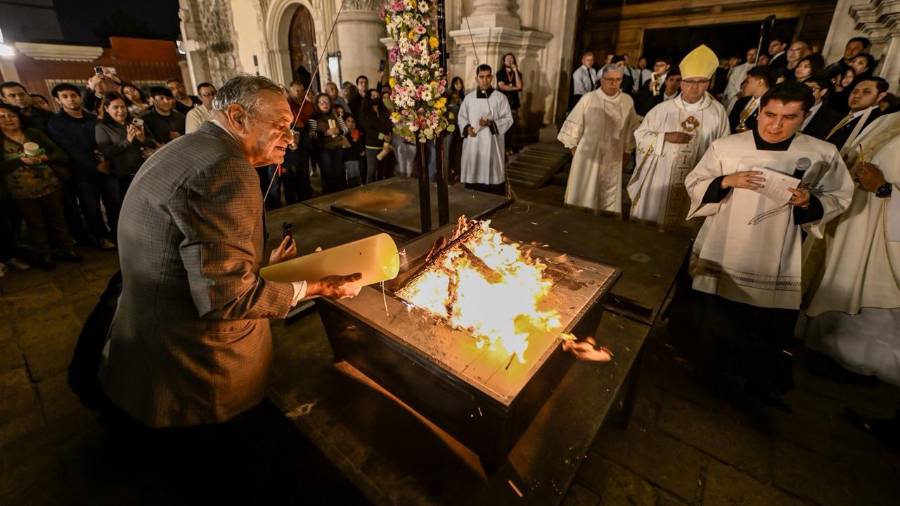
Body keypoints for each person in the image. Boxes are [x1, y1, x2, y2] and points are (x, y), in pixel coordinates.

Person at [99, 74, 362, 430]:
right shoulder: (224, 167)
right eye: (281, 125)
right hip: (195, 367)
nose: (290, 136)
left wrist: (262, 271)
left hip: (146, 340)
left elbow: (201, 259)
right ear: (238, 117)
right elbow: (226, 299)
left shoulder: (189, 148)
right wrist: (318, 287)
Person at [679, 82, 854, 403]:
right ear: (759, 112)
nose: (776, 124)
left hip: (777, 248)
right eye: (769, 114)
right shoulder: (728, 147)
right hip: (726, 243)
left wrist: (808, 202)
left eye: (789, 117)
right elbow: (695, 181)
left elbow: (840, 196)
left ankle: (756, 384)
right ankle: (708, 373)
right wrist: (725, 181)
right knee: (717, 313)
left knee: (764, 323)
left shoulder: (822, 153)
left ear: (804, 116)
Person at [799, 111, 900, 387]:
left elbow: (885, 182)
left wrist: (885, 189)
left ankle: (859, 366)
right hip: (851, 221)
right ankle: (820, 348)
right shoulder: (887, 120)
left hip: (885, 238)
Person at [629, 45, 729, 229]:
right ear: (682, 83)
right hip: (661, 176)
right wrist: (664, 137)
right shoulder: (662, 110)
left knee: (686, 229)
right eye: (689, 81)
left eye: (700, 81)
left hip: (698, 178)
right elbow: (640, 135)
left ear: (708, 83)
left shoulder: (718, 113)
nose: (694, 87)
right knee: (654, 224)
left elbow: (725, 148)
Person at [0, 103, 81, 270]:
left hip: (49, 185)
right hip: (21, 192)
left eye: (12, 116)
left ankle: (67, 250)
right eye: (2, 117)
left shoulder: (33, 134)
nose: (8, 119)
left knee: (58, 219)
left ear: (20, 119)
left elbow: (60, 154)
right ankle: (45, 256)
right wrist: (19, 160)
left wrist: (45, 158)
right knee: (35, 224)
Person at [558, 63, 638, 214]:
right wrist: (574, 149)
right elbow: (574, 124)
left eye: (618, 79)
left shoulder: (627, 101)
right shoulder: (588, 99)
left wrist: (627, 150)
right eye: (609, 79)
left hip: (613, 155)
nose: (614, 83)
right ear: (601, 80)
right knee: (585, 194)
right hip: (588, 156)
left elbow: (630, 129)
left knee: (608, 198)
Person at [47, 83, 117, 250]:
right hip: (81, 173)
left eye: (73, 95)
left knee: (113, 203)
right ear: (58, 100)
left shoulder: (92, 118)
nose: (71, 99)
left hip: (105, 167)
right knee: (91, 208)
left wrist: (105, 161)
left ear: (79, 96)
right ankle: (100, 237)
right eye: (65, 96)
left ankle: (116, 233)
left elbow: (103, 141)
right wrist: (95, 164)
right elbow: (71, 149)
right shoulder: (56, 123)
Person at [458, 64, 514, 196]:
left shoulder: (500, 98)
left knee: (492, 176)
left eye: (488, 76)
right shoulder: (469, 98)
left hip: (492, 143)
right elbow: (461, 117)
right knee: (473, 176)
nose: (485, 80)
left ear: (492, 77)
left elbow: (508, 119)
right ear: (477, 78)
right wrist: (467, 129)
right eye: (481, 77)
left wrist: (491, 123)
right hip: (473, 143)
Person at [95, 92, 158, 199]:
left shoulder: (136, 121)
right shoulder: (102, 127)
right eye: (116, 107)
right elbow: (107, 152)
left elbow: (153, 143)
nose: (121, 111)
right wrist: (127, 141)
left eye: (123, 107)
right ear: (106, 108)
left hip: (145, 171)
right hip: (122, 177)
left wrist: (143, 139)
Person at [825, 77, 888, 154]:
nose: (857, 96)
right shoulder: (842, 115)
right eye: (855, 91)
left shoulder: (875, 123)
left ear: (880, 96)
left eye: (866, 92)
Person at [283, 79, 314, 202]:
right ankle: (291, 200)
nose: (299, 94)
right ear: (290, 91)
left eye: (302, 91)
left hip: (303, 138)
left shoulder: (307, 104)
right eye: (296, 91)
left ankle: (305, 196)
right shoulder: (287, 103)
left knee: (303, 170)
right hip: (288, 137)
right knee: (290, 172)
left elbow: (310, 120)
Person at [311, 92, 348, 194]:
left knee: (339, 172)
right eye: (321, 102)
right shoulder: (314, 117)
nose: (324, 104)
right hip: (323, 149)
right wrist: (325, 133)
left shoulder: (335, 114)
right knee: (327, 175)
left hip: (337, 147)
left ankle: (341, 194)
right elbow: (312, 134)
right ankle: (329, 196)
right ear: (317, 104)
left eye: (326, 102)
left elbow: (345, 128)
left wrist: (339, 131)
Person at [360, 87, 393, 184]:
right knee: (371, 171)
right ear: (368, 98)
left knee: (382, 171)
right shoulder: (365, 112)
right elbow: (369, 129)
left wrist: (388, 136)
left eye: (378, 96)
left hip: (384, 146)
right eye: (373, 96)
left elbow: (388, 124)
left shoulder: (383, 111)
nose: (376, 97)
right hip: (372, 145)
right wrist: (382, 136)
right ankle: (368, 193)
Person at [729, 66, 771, 133]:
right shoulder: (741, 102)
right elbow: (729, 125)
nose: (744, 85)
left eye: (748, 82)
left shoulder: (771, 107)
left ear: (760, 82)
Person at [800, 75, 843, 140]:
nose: (805, 92)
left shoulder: (832, 117)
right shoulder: (790, 107)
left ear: (823, 91)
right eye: (803, 88)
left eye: (811, 89)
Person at [497, 53, 523, 155]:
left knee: (512, 126)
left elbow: (520, 85)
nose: (510, 60)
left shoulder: (518, 73)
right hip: (503, 103)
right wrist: (515, 88)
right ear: (504, 61)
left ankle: (509, 146)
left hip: (514, 103)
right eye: (507, 59)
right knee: (504, 126)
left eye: (512, 58)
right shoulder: (501, 73)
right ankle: (503, 147)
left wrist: (515, 71)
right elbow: (502, 87)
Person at [444, 77, 465, 182]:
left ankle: (456, 172)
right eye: (456, 83)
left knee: (458, 150)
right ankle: (446, 174)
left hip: (460, 127)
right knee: (448, 150)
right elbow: (445, 111)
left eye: (460, 83)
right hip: (450, 127)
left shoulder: (463, 97)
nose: (459, 85)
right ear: (453, 84)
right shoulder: (449, 95)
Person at [342, 115, 365, 187]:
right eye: (348, 121)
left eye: (352, 121)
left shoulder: (359, 133)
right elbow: (347, 147)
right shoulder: (343, 134)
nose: (350, 123)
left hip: (359, 159)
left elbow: (361, 146)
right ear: (344, 122)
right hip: (348, 159)